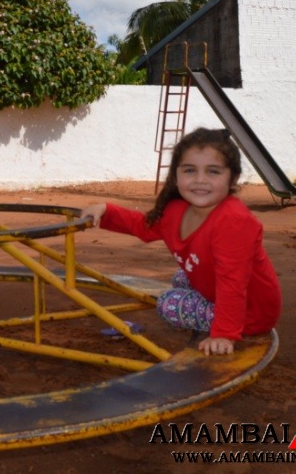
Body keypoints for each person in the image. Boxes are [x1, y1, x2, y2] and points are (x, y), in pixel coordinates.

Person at [81, 127, 281, 356]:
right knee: (181, 277)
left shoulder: (233, 221)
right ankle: (211, 310)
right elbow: (143, 226)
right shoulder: (177, 209)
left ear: (232, 178)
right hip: (221, 290)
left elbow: (233, 283)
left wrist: (224, 333)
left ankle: (227, 324)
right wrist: (106, 211)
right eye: (189, 170)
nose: (200, 180)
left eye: (213, 172)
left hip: (252, 311)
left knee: (168, 304)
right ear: (176, 175)